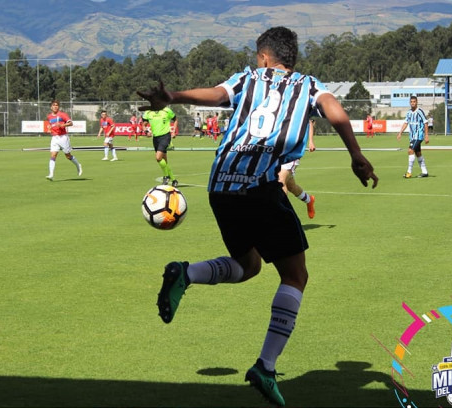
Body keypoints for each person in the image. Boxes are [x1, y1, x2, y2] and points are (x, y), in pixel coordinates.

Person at [137, 26, 378, 407]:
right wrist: (356, 154)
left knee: (247, 265)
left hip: (222, 184)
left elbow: (217, 96)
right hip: (260, 184)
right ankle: (265, 366)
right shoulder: (308, 85)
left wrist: (173, 96)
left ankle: (187, 273)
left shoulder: (248, 78)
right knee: (295, 275)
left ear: (264, 56)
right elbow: (335, 111)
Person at [278, 119, 316, 219]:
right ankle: (309, 200)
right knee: (291, 186)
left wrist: (311, 141)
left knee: (280, 182)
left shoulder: (299, 105)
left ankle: (281, 217)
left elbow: (309, 121)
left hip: (292, 151)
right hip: (278, 149)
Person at [141, 107, 178, 186]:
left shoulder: (166, 110)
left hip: (165, 137)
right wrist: (146, 132)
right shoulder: (148, 112)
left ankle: (166, 176)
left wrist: (174, 131)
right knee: (164, 161)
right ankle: (174, 180)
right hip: (155, 138)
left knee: (158, 158)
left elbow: (175, 120)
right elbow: (143, 125)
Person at [46, 100, 82, 180]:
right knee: (53, 155)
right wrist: (49, 128)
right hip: (54, 138)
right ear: (51, 107)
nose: (55, 106)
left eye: (57, 105)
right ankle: (51, 174)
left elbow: (71, 123)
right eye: (54, 105)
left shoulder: (62, 115)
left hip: (63, 137)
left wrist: (62, 125)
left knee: (68, 156)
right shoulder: (49, 116)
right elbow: (50, 125)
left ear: (58, 107)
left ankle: (78, 165)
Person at [397, 95, 429, 178]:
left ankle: (409, 172)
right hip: (412, 136)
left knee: (410, 150)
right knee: (418, 153)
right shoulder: (409, 112)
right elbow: (406, 123)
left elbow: (426, 123)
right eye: (411, 102)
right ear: (409, 103)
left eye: (414, 102)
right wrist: (400, 132)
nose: (413, 103)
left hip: (418, 136)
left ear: (417, 102)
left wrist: (426, 135)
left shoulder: (420, 112)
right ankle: (425, 172)